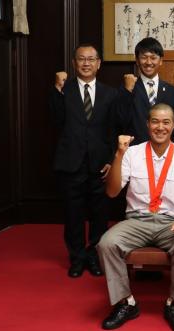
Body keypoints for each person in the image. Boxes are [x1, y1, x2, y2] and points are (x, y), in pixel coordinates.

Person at [97, 103, 174, 331]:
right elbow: (112, 192)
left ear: (173, 125)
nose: (160, 127)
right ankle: (126, 302)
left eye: (166, 122)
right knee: (106, 244)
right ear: (147, 124)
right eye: (155, 122)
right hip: (137, 220)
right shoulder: (131, 153)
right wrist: (118, 154)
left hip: (170, 222)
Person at [49, 44, 117, 278]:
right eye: (81, 59)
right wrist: (57, 90)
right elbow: (56, 122)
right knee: (73, 214)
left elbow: (113, 129)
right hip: (71, 163)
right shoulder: (63, 90)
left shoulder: (110, 93)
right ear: (74, 63)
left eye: (91, 59)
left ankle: (94, 257)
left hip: (100, 165)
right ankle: (77, 258)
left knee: (100, 215)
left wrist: (111, 159)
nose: (86, 63)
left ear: (99, 63)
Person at [113, 37, 174, 146]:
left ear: (161, 61)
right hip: (135, 151)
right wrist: (127, 91)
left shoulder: (172, 91)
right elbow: (119, 122)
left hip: (164, 151)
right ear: (137, 60)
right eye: (144, 57)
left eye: (153, 57)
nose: (148, 62)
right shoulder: (127, 89)